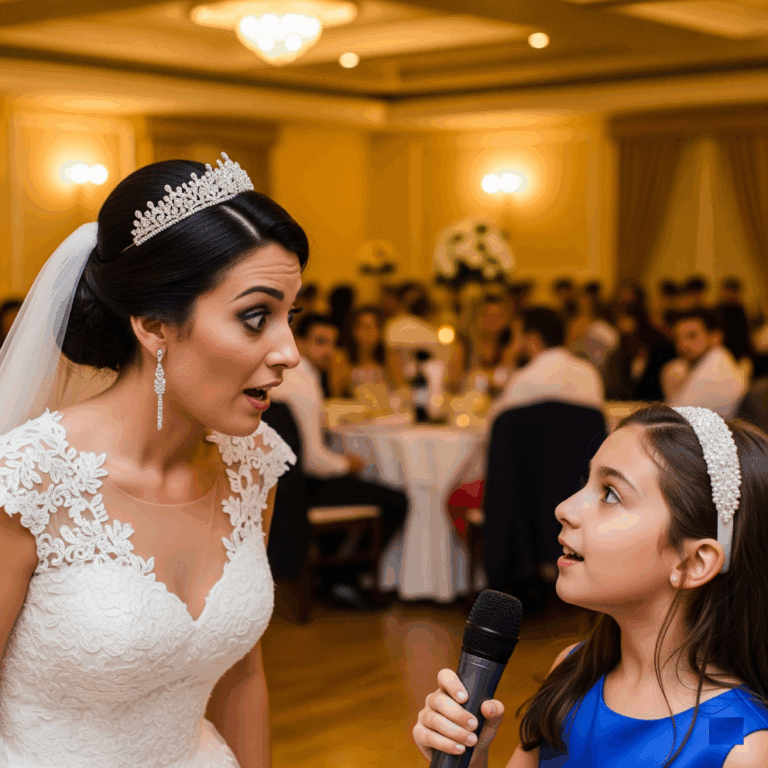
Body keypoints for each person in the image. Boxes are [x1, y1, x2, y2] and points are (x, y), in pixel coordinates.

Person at [0, 154, 307, 765]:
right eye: (256, 317)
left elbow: (242, 673)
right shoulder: (30, 478)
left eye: (290, 317)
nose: (289, 352)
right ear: (153, 324)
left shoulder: (253, 466)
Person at [414, 404, 768, 767]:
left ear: (693, 563)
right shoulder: (573, 669)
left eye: (611, 494)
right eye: (586, 482)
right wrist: (472, 755)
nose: (564, 508)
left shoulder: (735, 741)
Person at [270, 314, 408, 607]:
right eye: (320, 342)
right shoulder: (302, 383)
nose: (329, 351)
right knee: (396, 500)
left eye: (333, 343)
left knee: (351, 484)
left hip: (277, 487)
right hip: (299, 490)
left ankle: (333, 576)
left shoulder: (285, 374)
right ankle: (342, 579)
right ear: (300, 341)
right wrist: (349, 464)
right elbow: (313, 461)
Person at [662, 309, 747, 417]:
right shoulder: (710, 361)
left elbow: (673, 417)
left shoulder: (715, 371)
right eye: (678, 338)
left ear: (715, 337)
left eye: (692, 336)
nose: (683, 344)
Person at [342, 305, 390, 390]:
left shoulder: (388, 357)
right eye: (363, 327)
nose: (367, 332)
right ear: (353, 330)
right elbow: (337, 395)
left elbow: (401, 388)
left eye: (372, 327)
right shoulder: (342, 357)